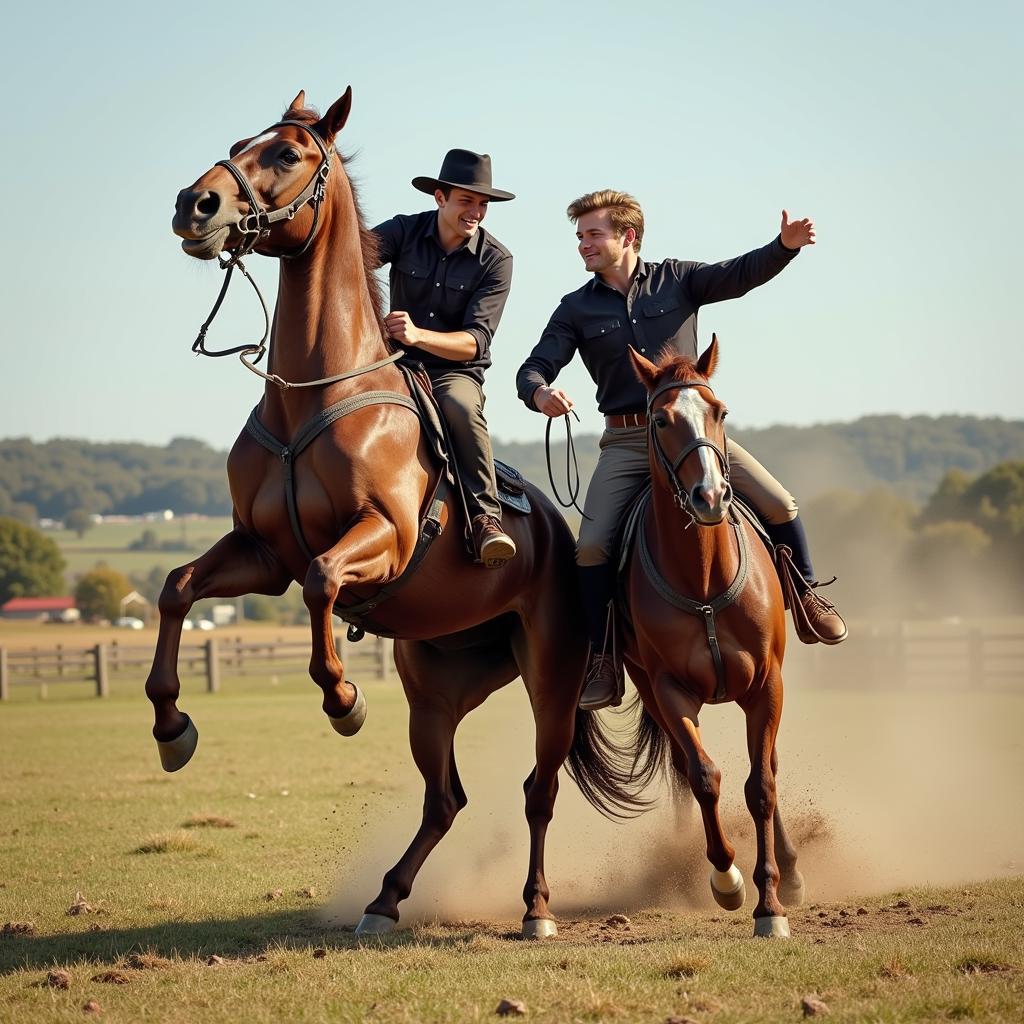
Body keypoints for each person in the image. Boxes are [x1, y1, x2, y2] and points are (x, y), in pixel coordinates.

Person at [516, 190, 847, 710]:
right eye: (580, 236)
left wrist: (783, 247)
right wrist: (540, 392)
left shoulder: (680, 278)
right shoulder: (575, 308)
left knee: (780, 503)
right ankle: (603, 657)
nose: (583, 245)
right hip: (628, 439)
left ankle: (805, 596)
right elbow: (534, 366)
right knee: (591, 546)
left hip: (695, 432)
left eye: (593, 234)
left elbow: (739, 274)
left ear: (627, 236)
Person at [373, 149, 516, 567]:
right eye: (466, 201)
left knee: (461, 407)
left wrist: (418, 335)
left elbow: (476, 342)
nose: (475, 212)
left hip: (454, 373)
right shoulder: (402, 231)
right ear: (439, 197)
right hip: (392, 364)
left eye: (483, 204)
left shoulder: (497, 260)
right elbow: (349, 260)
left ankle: (486, 519)